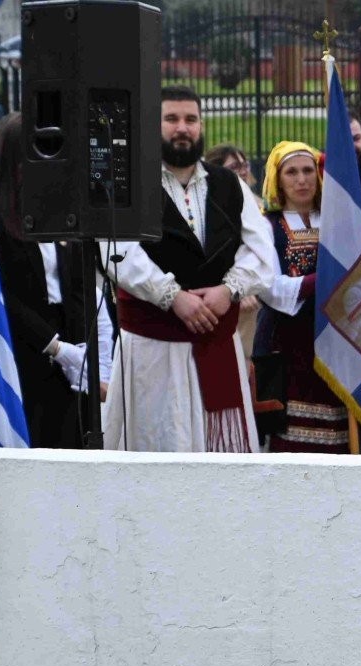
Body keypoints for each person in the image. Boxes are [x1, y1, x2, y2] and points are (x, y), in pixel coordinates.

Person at [104, 87, 276, 454]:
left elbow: (261, 251)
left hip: (217, 344)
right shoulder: (129, 183)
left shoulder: (229, 184)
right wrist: (172, 297)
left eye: (190, 120)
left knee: (220, 463)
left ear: (201, 125)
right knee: (158, 447)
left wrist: (227, 291)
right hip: (153, 351)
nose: (182, 128)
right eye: (172, 119)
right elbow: (115, 251)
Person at [0, 114, 108, 449]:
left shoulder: (62, 211)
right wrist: (54, 346)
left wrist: (82, 348)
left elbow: (80, 284)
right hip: (25, 347)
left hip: (69, 349)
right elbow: (4, 295)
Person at [254, 143, 349, 452]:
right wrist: (325, 281)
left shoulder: (337, 222)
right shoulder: (268, 226)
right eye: (291, 172)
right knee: (291, 441)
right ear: (277, 179)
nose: (302, 179)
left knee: (340, 439)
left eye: (308, 170)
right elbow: (270, 287)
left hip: (336, 338)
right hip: (287, 340)